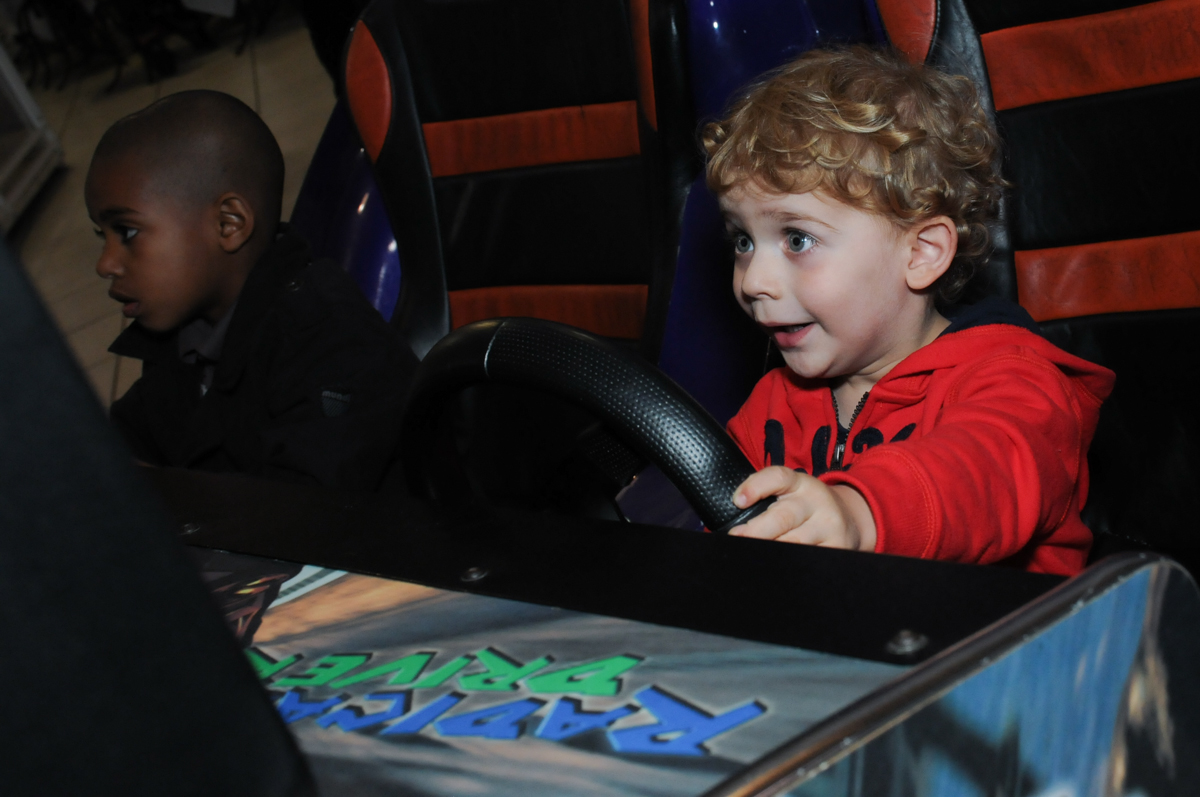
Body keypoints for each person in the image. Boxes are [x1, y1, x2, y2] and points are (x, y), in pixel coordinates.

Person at [704, 48, 1114, 576]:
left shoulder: (1018, 385)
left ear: (920, 254)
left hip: (1005, 644)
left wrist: (859, 513)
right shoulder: (773, 404)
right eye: (742, 241)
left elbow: (981, 474)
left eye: (797, 238)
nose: (753, 282)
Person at [86, 90, 418, 491]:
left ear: (229, 224)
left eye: (127, 232)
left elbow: (301, 520)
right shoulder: (181, 338)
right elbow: (129, 438)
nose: (105, 264)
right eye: (101, 236)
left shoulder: (332, 342)